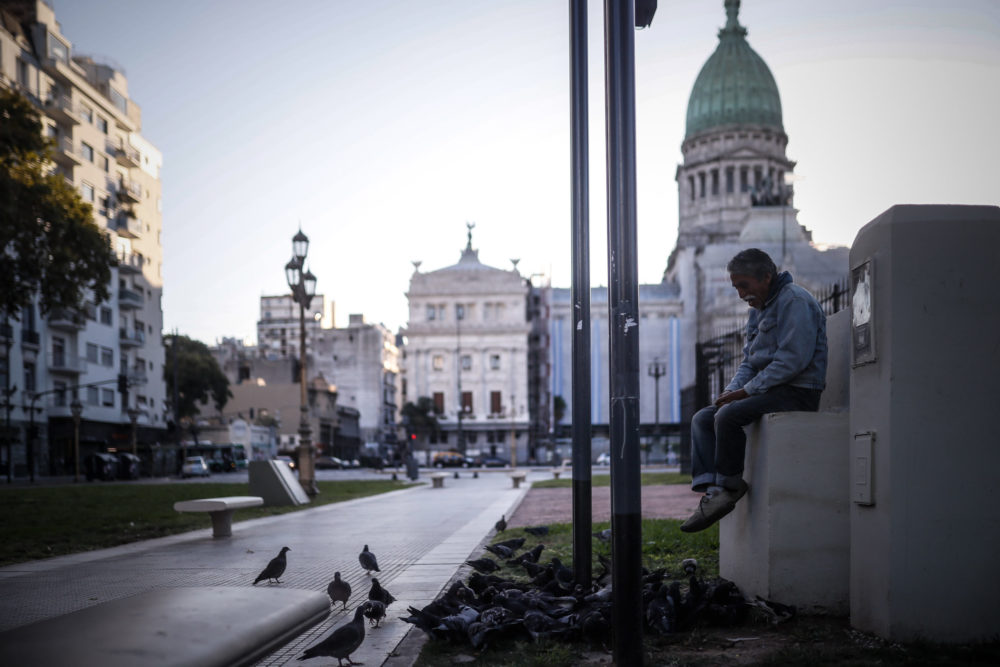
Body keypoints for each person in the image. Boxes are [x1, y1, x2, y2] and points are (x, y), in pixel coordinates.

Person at [681, 248, 828, 533]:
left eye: (744, 286)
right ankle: (713, 492)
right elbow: (749, 362)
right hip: (766, 390)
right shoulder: (757, 310)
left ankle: (729, 487)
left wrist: (746, 393)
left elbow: (792, 361)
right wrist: (730, 392)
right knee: (704, 417)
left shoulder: (795, 301)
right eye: (736, 287)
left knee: (729, 416)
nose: (740, 294)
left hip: (798, 389)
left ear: (766, 277)